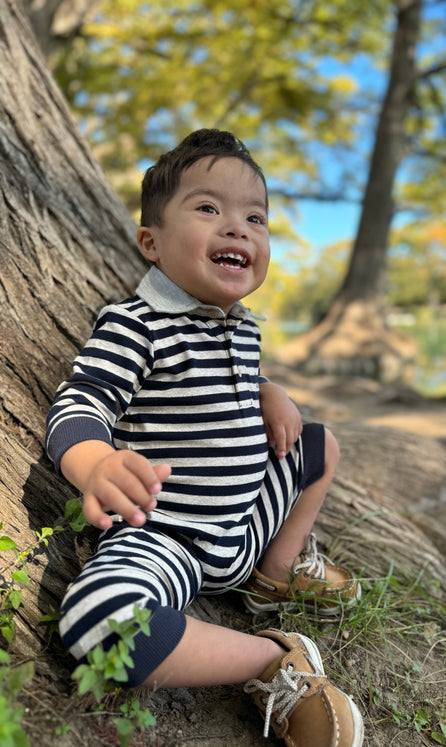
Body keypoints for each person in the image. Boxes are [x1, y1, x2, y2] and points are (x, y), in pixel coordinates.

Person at [45, 129, 364, 746]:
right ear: (153, 244)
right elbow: (81, 401)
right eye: (209, 208)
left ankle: (275, 572)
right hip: (167, 539)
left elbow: (233, 383)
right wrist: (94, 465)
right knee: (100, 626)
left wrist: (269, 391)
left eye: (255, 217)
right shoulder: (136, 325)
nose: (239, 228)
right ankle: (271, 660)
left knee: (319, 446)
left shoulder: (240, 327)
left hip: (244, 526)